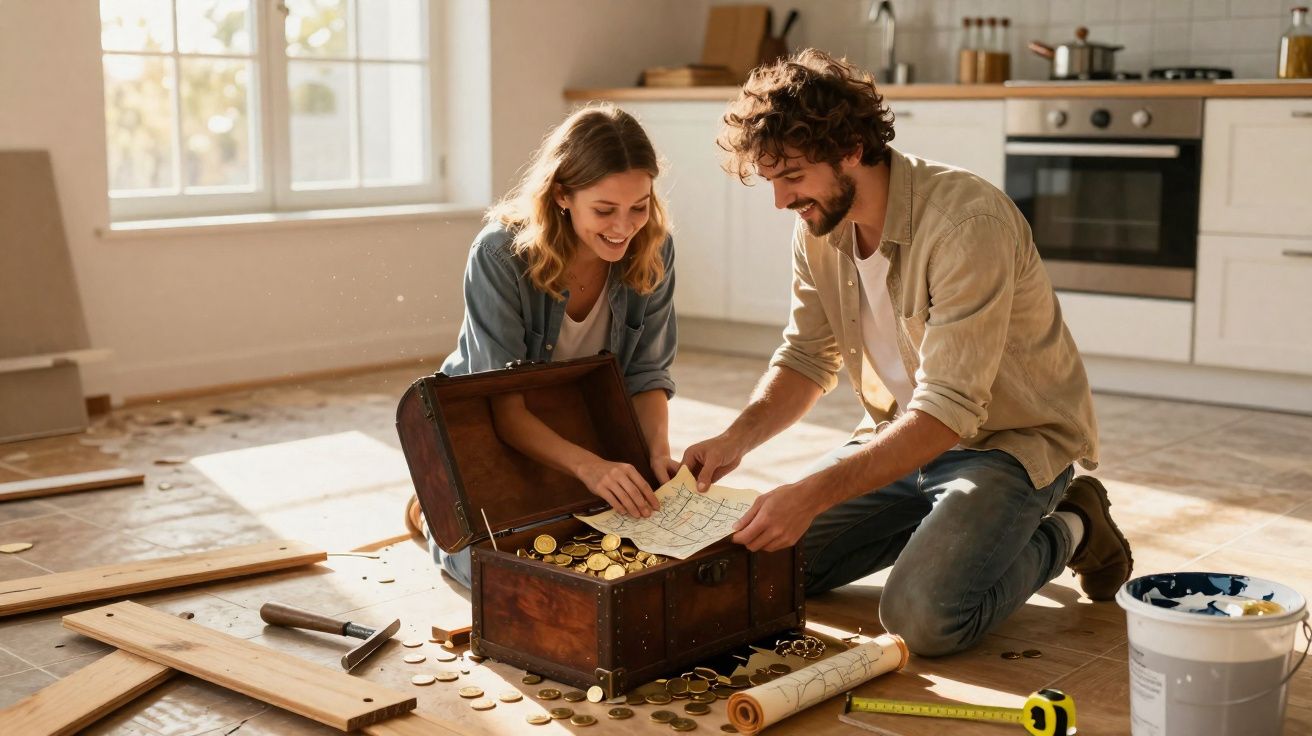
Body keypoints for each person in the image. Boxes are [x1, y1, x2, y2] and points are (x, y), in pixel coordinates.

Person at [681, 50, 1133, 656]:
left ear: (848, 148)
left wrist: (813, 494)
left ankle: (1073, 526)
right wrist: (732, 441)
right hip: (899, 435)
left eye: (792, 176)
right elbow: (808, 358)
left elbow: (948, 410)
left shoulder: (967, 222)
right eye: (772, 181)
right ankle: (946, 530)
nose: (781, 201)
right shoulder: (820, 225)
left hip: (1007, 445)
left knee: (921, 617)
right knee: (770, 571)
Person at [416, 104, 680, 588]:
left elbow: (646, 375)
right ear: (562, 194)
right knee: (517, 576)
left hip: (575, 425)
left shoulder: (654, 248)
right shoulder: (499, 254)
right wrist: (591, 468)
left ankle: (437, 506)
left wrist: (656, 452)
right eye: (604, 210)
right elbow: (505, 409)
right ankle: (435, 510)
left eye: (638, 206)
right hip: (490, 429)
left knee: (630, 558)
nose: (624, 226)